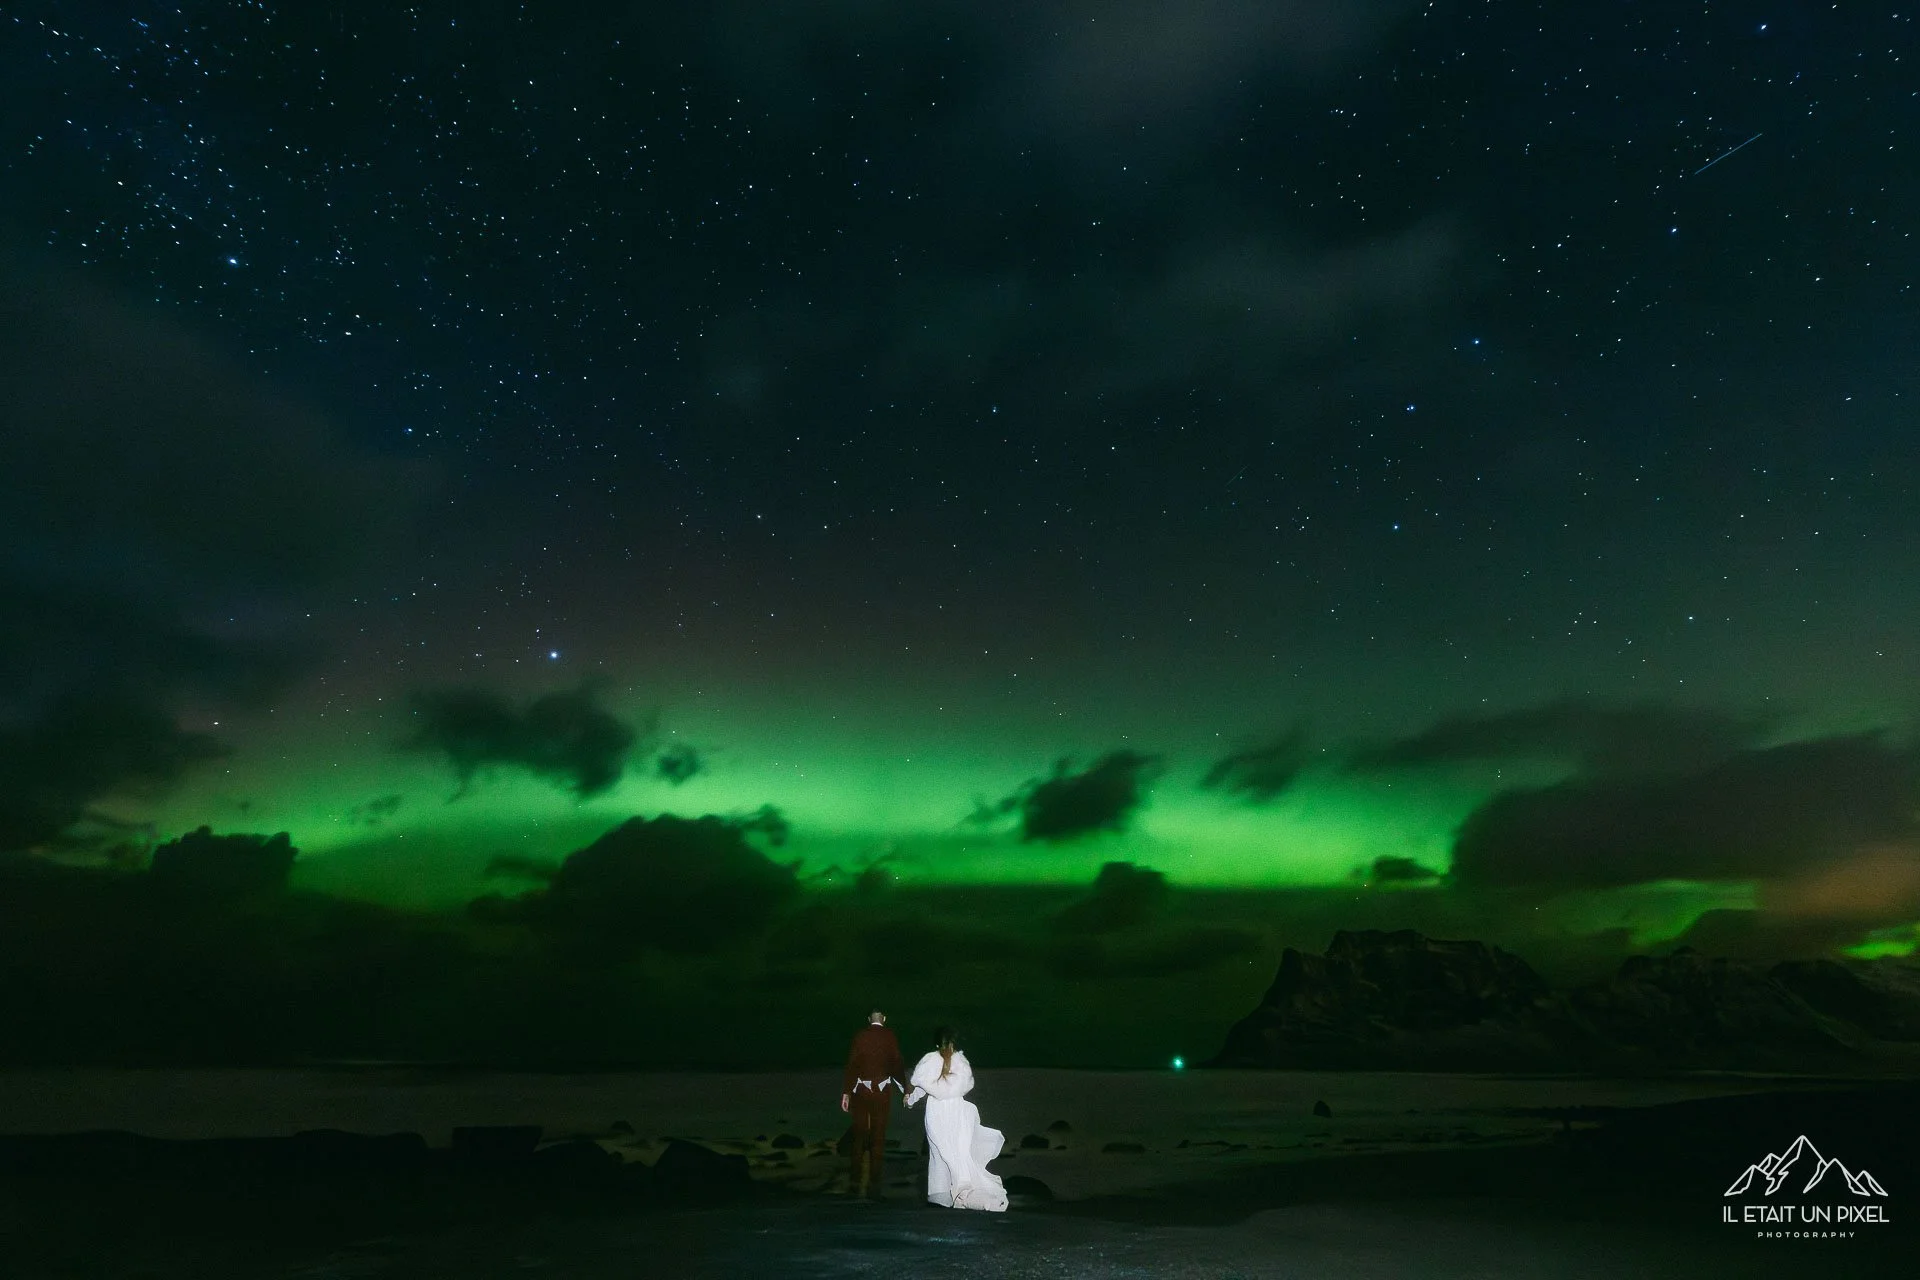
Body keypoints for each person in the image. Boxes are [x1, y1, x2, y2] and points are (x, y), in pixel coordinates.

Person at [904, 1027, 1008, 1211]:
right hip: (959, 1110)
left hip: (937, 1111)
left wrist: (910, 1100)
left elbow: (918, 1084)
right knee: (958, 1151)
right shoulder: (960, 1061)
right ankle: (957, 1191)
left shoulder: (930, 1059)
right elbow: (967, 1085)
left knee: (939, 1153)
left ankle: (943, 1195)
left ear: (937, 1044)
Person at [840, 1009, 906, 1198]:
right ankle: (874, 1184)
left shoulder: (860, 1036)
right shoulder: (889, 1036)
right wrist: (905, 1088)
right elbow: (896, 1063)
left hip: (861, 1090)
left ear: (869, 1020)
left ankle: (854, 1181)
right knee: (878, 1136)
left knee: (859, 1135)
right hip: (882, 1090)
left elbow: (852, 1064)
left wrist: (846, 1092)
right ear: (883, 1019)